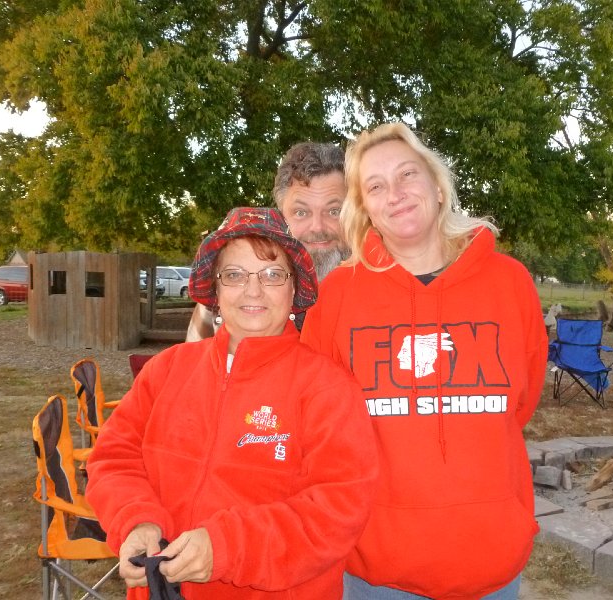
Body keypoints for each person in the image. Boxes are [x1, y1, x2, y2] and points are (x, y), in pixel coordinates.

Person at [300, 123, 548, 600]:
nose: (394, 194)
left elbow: (521, 401)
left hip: (490, 560)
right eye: (375, 186)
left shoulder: (510, 282)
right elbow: (319, 422)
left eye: (407, 175)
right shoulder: (337, 294)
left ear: (437, 186)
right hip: (379, 567)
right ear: (365, 207)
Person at [86, 207, 377, 599]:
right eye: (235, 275)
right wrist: (136, 522)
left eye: (273, 275)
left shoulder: (328, 387)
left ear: (294, 291)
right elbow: (113, 457)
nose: (252, 291)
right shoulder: (166, 370)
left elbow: (337, 510)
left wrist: (225, 548)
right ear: (216, 290)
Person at [186, 141, 348, 341]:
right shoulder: (221, 305)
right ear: (281, 216)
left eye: (334, 211)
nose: (317, 227)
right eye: (301, 212)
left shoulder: (379, 293)